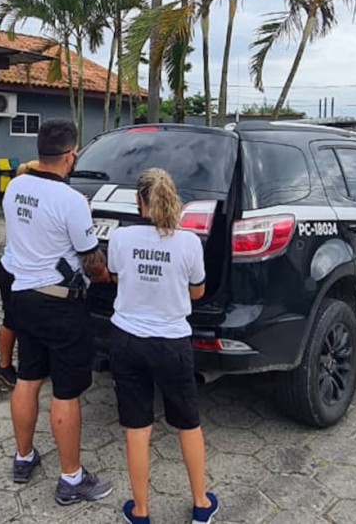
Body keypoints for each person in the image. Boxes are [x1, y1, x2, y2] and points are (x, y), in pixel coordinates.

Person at [2, 119, 113, 505]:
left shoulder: (15, 187)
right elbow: (91, 261)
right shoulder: (71, 201)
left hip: (22, 297)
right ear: (70, 154)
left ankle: (23, 457)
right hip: (60, 305)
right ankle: (71, 479)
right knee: (66, 392)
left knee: (28, 377)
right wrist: (110, 276)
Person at [107, 168, 219, 524]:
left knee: (137, 427)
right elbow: (198, 291)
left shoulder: (121, 239)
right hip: (171, 344)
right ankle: (201, 504)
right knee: (188, 423)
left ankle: (140, 510)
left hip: (126, 340)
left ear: (139, 202)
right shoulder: (188, 243)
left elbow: (114, 277)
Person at [0, 160, 40, 387]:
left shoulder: (15, 196)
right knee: (12, 320)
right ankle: (4, 366)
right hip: (15, 270)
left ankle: (17, 364)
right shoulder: (28, 201)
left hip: (9, 268)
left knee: (15, 320)